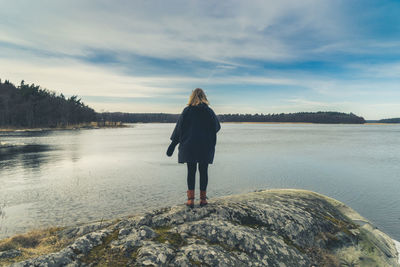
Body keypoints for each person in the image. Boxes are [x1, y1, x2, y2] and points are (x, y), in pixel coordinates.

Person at [166, 88, 221, 208]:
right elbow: (217, 127)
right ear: (204, 97)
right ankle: (203, 199)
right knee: (203, 171)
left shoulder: (187, 111)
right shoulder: (209, 111)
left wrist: (172, 145)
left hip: (189, 146)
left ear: (192, 97)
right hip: (205, 146)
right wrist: (206, 134)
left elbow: (179, 129)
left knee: (191, 171)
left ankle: (190, 200)